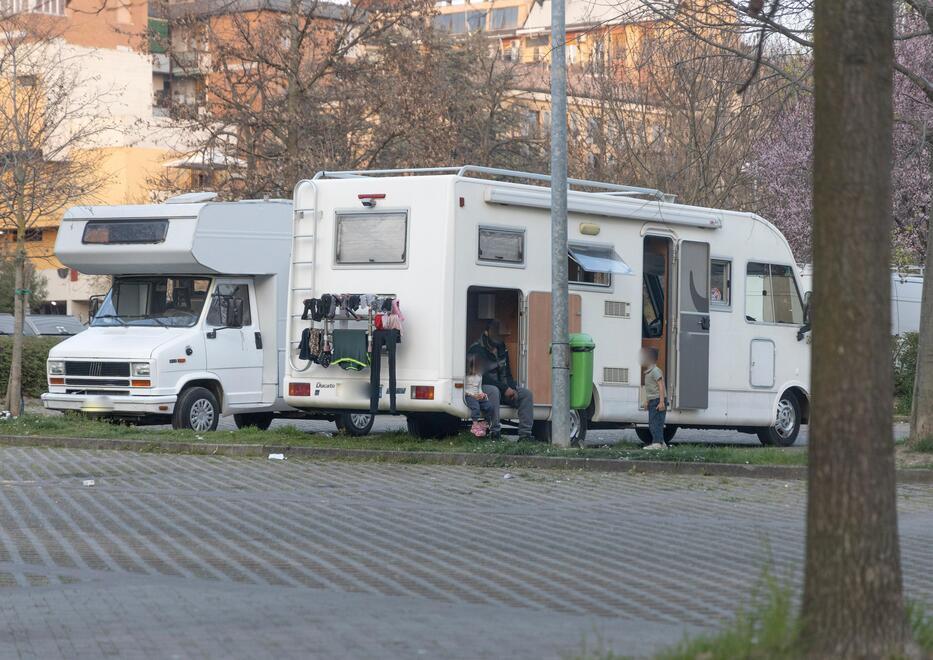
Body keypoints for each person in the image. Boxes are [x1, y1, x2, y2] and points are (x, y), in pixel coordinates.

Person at [468, 319, 534, 441]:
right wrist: (504, 388)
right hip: (481, 387)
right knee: (494, 390)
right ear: (486, 332)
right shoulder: (476, 349)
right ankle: (495, 432)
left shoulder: (502, 348)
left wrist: (512, 388)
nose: (498, 335)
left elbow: (507, 372)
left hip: (503, 388)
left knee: (526, 394)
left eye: (499, 333)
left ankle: (525, 435)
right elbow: (481, 377)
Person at [640, 347, 668, 450]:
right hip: (653, 400)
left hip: (658, 400)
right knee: (653, 422)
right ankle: (661, 443)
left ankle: (657, 443)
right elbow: (650, 389)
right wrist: (647, 401)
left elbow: (661, 386)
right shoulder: (648, 372)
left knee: (656, 423)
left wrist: (661, 402)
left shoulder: (656, 371)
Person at [464, 355, 494, 437]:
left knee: (489, 406)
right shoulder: (466, 376)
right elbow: (464, 390)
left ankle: (485, 422)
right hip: (469, 395)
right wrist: (472, 395)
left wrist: (482, 394)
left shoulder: (479, 376)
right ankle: (475, 425)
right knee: (476, 407)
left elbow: (479, 388)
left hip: (477, 395)